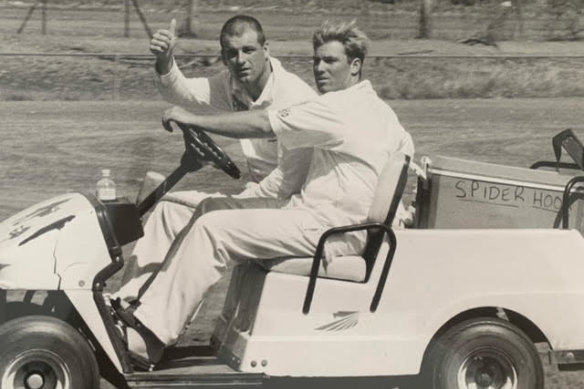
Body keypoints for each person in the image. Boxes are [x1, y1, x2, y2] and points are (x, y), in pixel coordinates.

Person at [115, 20, 414, 367]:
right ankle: (133, 307)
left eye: (330, 61)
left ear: (356, 66)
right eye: (316, 60)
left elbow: (262, 126)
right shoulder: (376, 110)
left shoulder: (336, 107)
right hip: (319, 218)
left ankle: (147, 336)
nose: (319, 68)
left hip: (328, 228)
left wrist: (192, 120)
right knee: (193, 212)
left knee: (214, 227)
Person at [113, 15, 316, 303]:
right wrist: (165, 59)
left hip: (290, 205)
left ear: (266, 49)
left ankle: (147, 313)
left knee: (193, 213)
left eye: (248, 50)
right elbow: (182, 92)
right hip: (260, 196)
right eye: (231, 53)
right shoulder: (232, 85)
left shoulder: (293, 97)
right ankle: (130, 302)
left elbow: (289, 181)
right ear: (223, 57)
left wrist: (234, 201)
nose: (240, 60)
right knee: (170, 210)